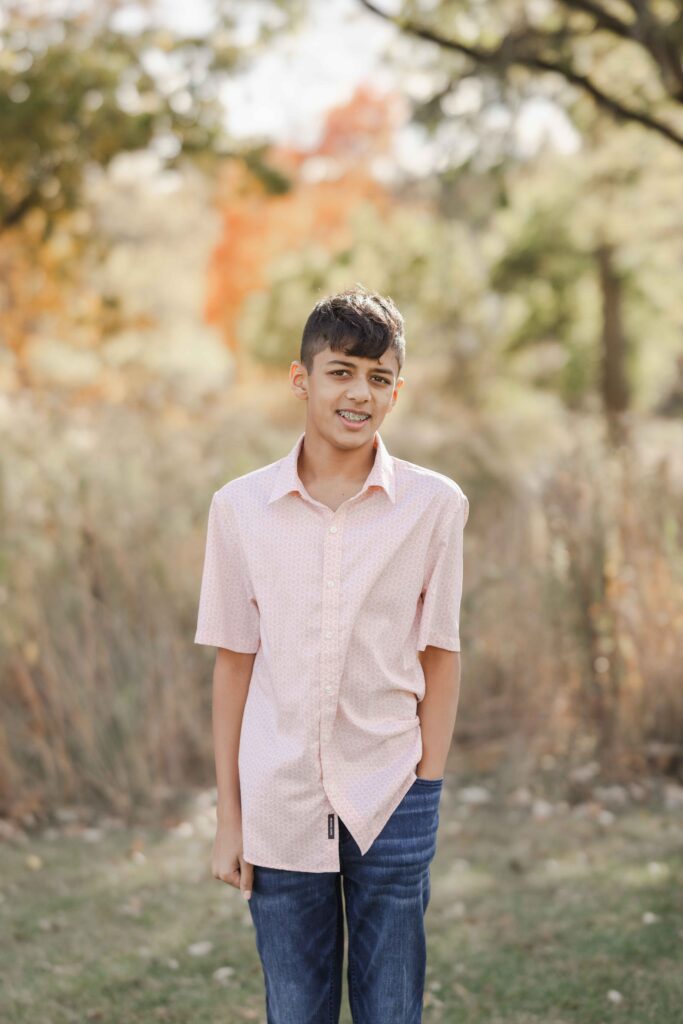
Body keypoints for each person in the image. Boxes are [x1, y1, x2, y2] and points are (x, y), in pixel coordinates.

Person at [194, 284, 469, 1024]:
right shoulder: (239, 508)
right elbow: (234, 663)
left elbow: (440, 655)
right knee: (295, 1011)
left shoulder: (435, 505)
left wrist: (427, 788)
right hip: (278, 798)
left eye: (379, 378)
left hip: (392, 792)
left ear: (396, 391)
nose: (359, 393)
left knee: (391, 1010)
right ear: (301, 378)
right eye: (341, 371)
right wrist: (230, 816)